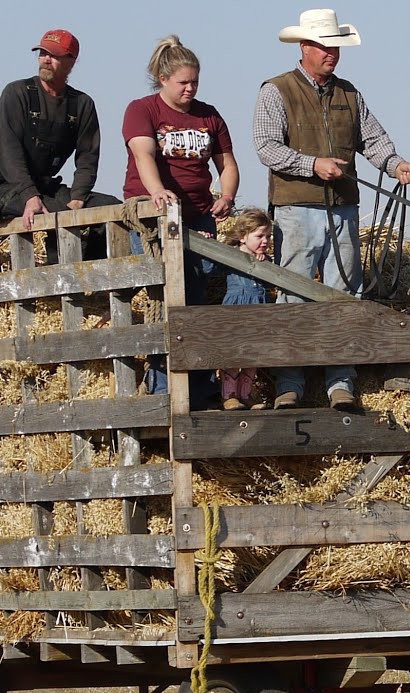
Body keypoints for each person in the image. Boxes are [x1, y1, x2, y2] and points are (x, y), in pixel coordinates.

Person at [253, 9, 410, 412]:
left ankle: (341, 382)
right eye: (326, 47)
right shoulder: (276, 91)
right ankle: (289, 384)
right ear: (304, 47)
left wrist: (396, 165)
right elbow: (266, 147)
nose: (333, 54)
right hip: (295, 209)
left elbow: (374, 140)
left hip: (343, 208)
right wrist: (313, 165)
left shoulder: (350, 94)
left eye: (336, 47)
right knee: (294, 295)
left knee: (344, 294)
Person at [124, 35, 240, 406]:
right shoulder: (143, 110)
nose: (190, 89)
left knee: (197, 300)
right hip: (156, 218)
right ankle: (162, 388)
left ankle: (201, 390)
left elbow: (227, 163)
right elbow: (143, 155)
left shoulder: (208, 115)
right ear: (163, 78)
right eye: (183, 83)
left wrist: (227, 195)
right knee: (165, 302)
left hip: (199, 216)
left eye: (194, 82)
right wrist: (157, 192)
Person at [0, 29, 120, 261]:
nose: (45, 59)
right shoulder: (17, 93)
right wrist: (28, 195)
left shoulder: (81, 104)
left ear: (71, 61)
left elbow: (88, 157)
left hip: (44, 186)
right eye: (42, 53)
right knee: (59, 213)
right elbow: (8, 151)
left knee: (110, 208)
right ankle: (59, 278)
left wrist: (79, 196)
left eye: (53, 55)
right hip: (7, 185)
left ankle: (96, 283)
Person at [217, 208, 272, 411]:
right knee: (233, 351)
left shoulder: (266, 260)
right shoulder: (231, 256)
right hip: (237, 306)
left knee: (253, 353)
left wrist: (266, 266)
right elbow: (208, 268)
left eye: (268, 236)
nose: (265, 241)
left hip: (259, 308)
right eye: (259, 236)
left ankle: (245, 393)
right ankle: (229, 395)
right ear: (242, 237)